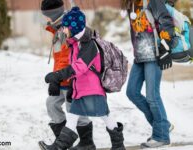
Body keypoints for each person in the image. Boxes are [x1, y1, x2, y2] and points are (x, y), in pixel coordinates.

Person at [44, 6, 126, 150]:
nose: (63, 30)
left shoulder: (89, 45)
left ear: (73, 28)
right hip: (81, 89)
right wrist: (71, 86)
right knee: (74, 117)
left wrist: (57, 76)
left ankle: (118, 146)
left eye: (65, 27)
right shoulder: (76, 43)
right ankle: (61, 146)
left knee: (105, 116)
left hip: (92, 89)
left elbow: (79, 67)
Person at [39, 1, 95, 150]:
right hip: (61, 77)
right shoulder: (56, 30)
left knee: (75, 110)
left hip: (73, 78)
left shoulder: (70, 28)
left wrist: (66, 79)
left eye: (47, 15)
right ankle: (62, 141)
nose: (47, 19)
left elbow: (74, 58)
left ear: (53, 14)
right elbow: (60, 59)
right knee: (51, 104)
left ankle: (87, 143)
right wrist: (55, 79)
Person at [120, 0, 176, 148]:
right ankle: (163, 125)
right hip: (140, 56)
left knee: (152, 96)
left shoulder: (152, 1)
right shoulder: (131, 4)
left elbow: (166, 21)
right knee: (132, 92)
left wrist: (166, 46)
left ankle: (162, 136)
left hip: (155, 54)